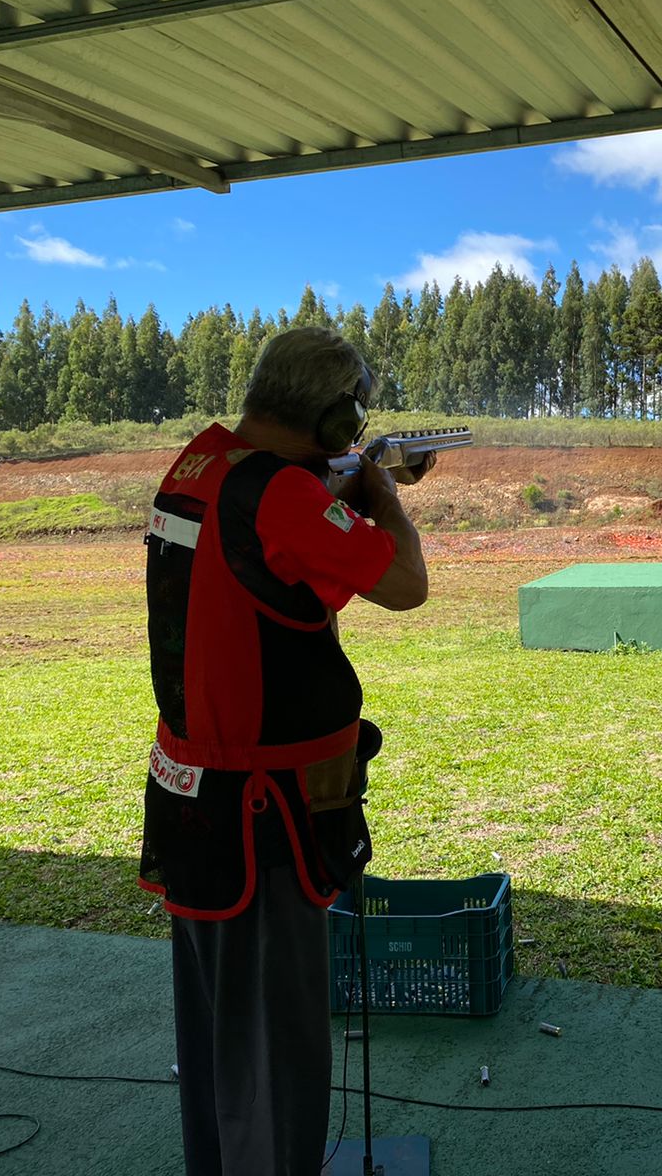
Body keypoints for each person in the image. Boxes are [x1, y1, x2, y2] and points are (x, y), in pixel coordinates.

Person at [137, 325, 431, 1175]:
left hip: (195, 801)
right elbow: (406, 587)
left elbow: (278, 582)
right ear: (337, 422)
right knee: (276, 1046)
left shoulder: (201, 461)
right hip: (263, 816)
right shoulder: (288, 499)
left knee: (222, 1035)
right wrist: (382, 499)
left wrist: (341, 487)